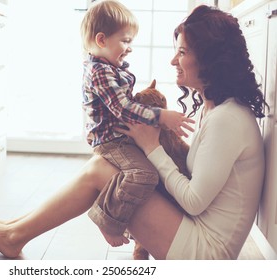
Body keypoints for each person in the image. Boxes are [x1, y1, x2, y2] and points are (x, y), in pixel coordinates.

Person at [0, 4, 268, 259]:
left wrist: (152, 147)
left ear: (210, 59)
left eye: (182, 52)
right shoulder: (216, 109)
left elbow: (193, 200)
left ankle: (15, 234)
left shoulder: (227, 120)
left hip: (205, 253)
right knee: (104, 165)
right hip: (198, 230)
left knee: (102, 169)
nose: (172, 61)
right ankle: (13, 230)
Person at [80, 0, 194, 247]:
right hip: (111, 141)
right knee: (144, 174)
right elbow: (122, 107)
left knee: (153, 169)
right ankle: (107, 219)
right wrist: (161, 116)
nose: (130, 48)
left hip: (119, 136)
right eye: (125, 41)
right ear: (101, 40)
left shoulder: (110, 66)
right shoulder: (100, 71)